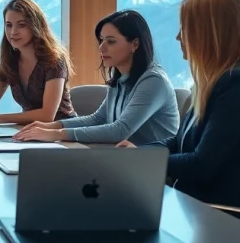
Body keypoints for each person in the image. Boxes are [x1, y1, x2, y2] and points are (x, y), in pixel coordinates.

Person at [118, 0, 240, 213]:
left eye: (185, 28)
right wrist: (138, 152)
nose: (178, 37)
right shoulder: (215, 83)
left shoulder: (238, 84)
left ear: (209, 33)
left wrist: (143, 159)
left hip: (217, 217)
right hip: (193, 206)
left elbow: (202, 165)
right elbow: (178, 142)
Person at [13, 10, 179, 145]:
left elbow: (119, 130)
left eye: (111, 41)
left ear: (134, 45)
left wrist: (55, 133)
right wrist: (49, 126)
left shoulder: (153, 81)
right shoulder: (121, 78)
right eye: (101, 40)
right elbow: (98, 119)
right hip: (123, 161)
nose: (101, 47)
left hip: (152, 170)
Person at [0, 0, 76, 126]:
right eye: (8, 25)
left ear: (35, 26)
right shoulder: (9, 61)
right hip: (28, 131)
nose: (13, 32)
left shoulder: (54, 61)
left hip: (62, 134)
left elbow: (47, 115)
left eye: (21, 25)